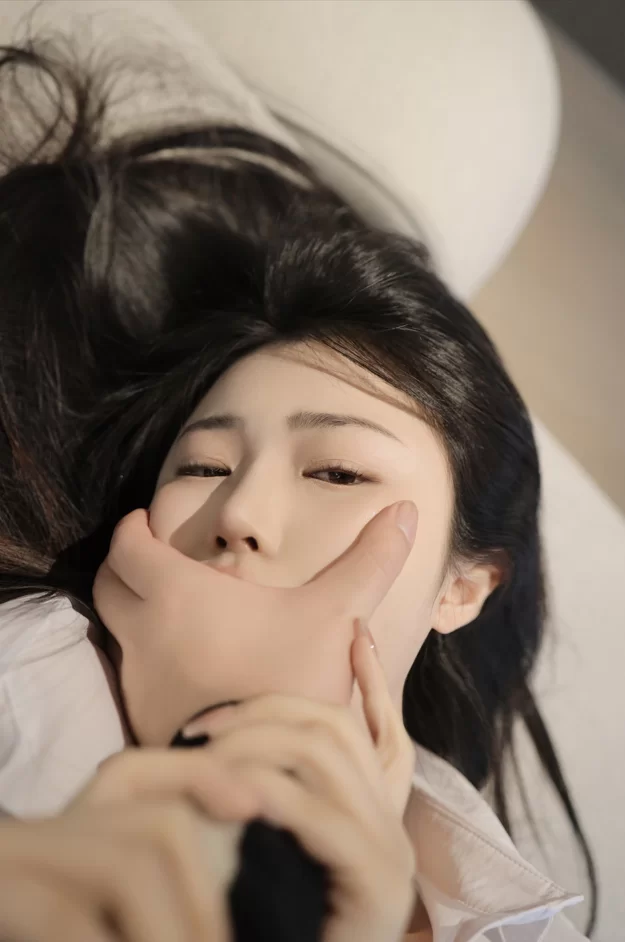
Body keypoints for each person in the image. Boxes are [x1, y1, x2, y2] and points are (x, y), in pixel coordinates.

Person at [0, 2, 596, 940]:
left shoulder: (505, 910)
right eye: (202, 463)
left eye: (338, 474)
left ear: (464, 585)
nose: (240, 511)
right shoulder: (27, 676)